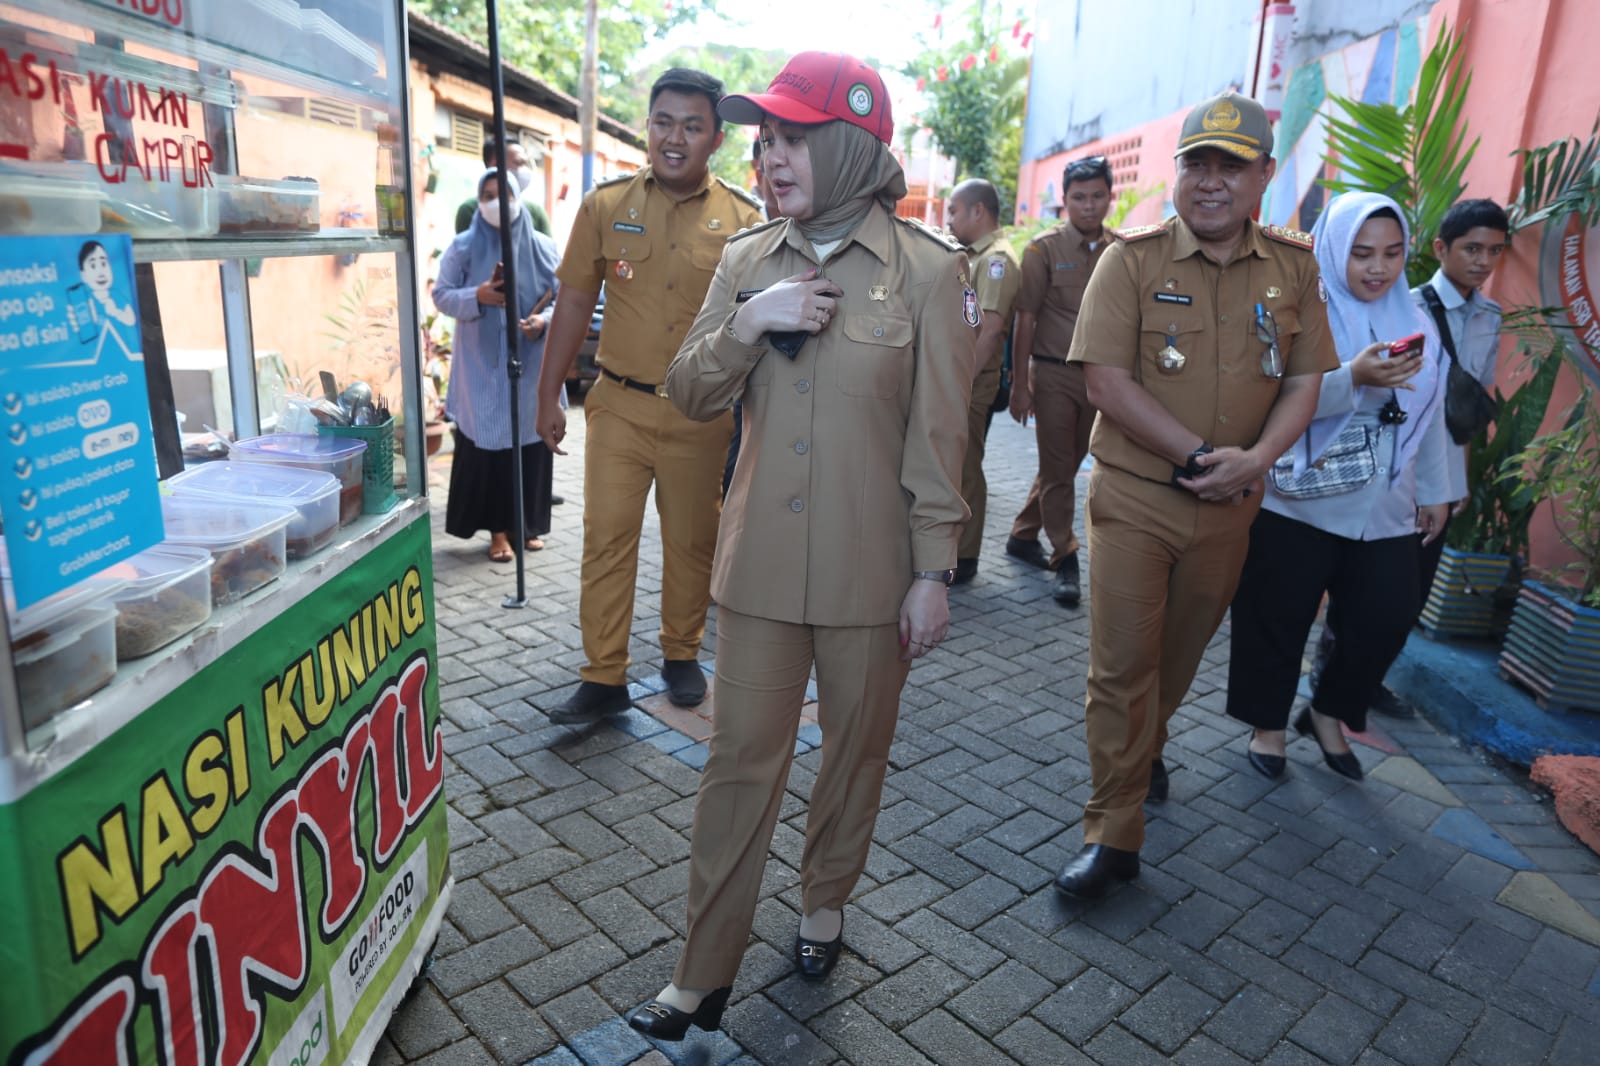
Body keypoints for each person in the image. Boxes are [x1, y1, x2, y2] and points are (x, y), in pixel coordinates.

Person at [623, 52, 974, 1041]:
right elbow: (689, 391)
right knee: (739, 764)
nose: (770, 157)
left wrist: (933, 572)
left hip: (875, 577)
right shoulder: (746, 262)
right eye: (764, 139)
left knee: (855, 755)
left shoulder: (927, 271)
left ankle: (825, 901)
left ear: (846, 145)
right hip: (763, 573)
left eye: (791, 139)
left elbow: (939, 439)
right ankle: (702, 970)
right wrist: (749, 322)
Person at [1053, 91, 1337, 900]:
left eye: (1231, 167)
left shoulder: (1294, 266)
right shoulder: (1131, 260)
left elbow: (1305, 380)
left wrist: (1256, 462)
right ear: (1178, 172)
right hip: (1138, 497)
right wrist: (1201, 453)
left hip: (1231, 507)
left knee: (1174, 661)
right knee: (1121, 666)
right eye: (1197, 164)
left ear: (1265, 176)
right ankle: (1114, 831)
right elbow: (1105, 381)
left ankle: (1144, 748)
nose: (1211, 182)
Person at [535, 69, 763, 721]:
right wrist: (547, 395)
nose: (674, 137)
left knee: (693, 540)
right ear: (647, 125)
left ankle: (681, 652)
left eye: (692, 126)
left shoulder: (744, 223)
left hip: (702, 413)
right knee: (606, 537)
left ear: (715, 138)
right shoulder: (605, 205)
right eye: (663, 121)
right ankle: (604, 674)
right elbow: (574, 302)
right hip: (619, 407)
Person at [1227, 192, 1451, 781]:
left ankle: (1327, 711)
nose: (1378, 268)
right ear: (1332, 248)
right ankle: (1268, 727)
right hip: (1298, 498)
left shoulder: (1417, 319)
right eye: (1361, 253)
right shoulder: (1305, 310)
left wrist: (1436, 488)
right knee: (1276, 616)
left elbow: (1430, 414)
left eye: (1393, 253)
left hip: (1386, 505)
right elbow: (1268, 393)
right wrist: (1352, 376)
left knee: (1386, 616)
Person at [432, 170, 562, 562]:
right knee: (489, 451)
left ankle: (527, 527)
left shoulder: (544, 247)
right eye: (486, 195)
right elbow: (441, 295)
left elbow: (568, 299)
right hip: (482, 368)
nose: (495, 202)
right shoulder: (464, 247)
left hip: (531, 364)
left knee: (530, 446)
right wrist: (480, 295)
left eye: (502, 194)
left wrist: (543, 322)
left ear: (516, 197)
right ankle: (498, 533)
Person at [1006, 156, 1119, 605]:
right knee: (1059, 469)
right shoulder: (1043, 249)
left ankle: (1023, 534)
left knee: (1066, 464)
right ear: (1064, 201)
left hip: (1102, 379)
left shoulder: (1121, 249)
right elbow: (1025, 318)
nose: (1088, 206)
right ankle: (1065, 556)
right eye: (1078, 198)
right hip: (1052, 374)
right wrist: (1019, 383)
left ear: (1109, 197)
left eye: (1097, 196)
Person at [944, 178, 1020, 585]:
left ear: (978, 211)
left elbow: (989, 332)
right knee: (956, 464)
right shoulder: (975, 255)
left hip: (971, 385)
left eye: (954, 210)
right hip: (962, 379)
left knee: (966, 468)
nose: (949, 219)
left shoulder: (997, 260)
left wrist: (957, 386)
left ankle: (965, 556)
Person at [723, 135, 786, 498]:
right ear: (756, 169)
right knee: (738, 482)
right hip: (745, 388)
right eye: (769, 163)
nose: (779, 169)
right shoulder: (741, 232)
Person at [454, 135, 552, 237]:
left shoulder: (536, 212)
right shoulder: (470, 210)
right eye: (519, 163)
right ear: (495, 166)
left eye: (525, 163)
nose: (525, 170)